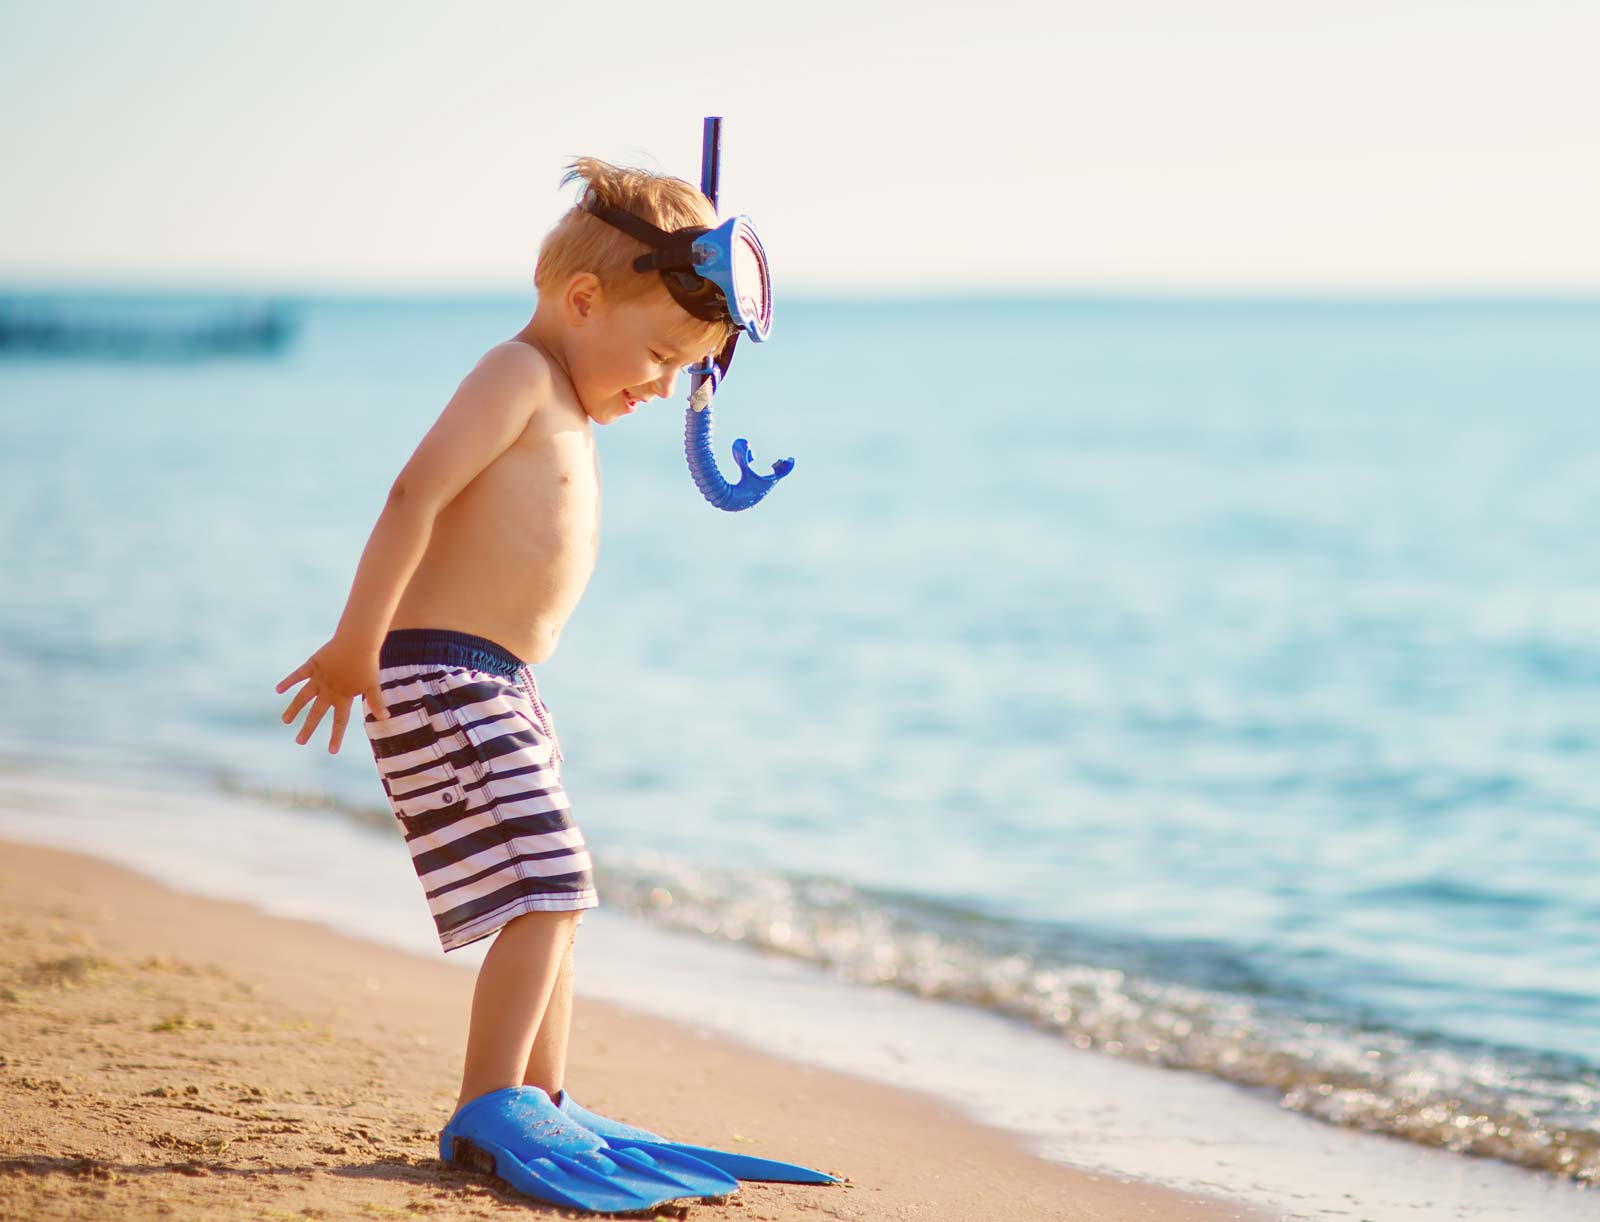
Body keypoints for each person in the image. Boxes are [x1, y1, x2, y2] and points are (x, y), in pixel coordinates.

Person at [274, 158, 827, 1213]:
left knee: (559, 900)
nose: (663, 385)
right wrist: (357, 639)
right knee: (551, 887)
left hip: (503, 682)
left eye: (687, 371)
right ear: (582, 300)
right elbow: (412, 494)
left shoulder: (569, 393)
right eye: (659, 355)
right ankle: (490, 1103)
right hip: (442, 674)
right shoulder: (517, 376)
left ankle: (542, 1094)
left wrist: (680, 335)